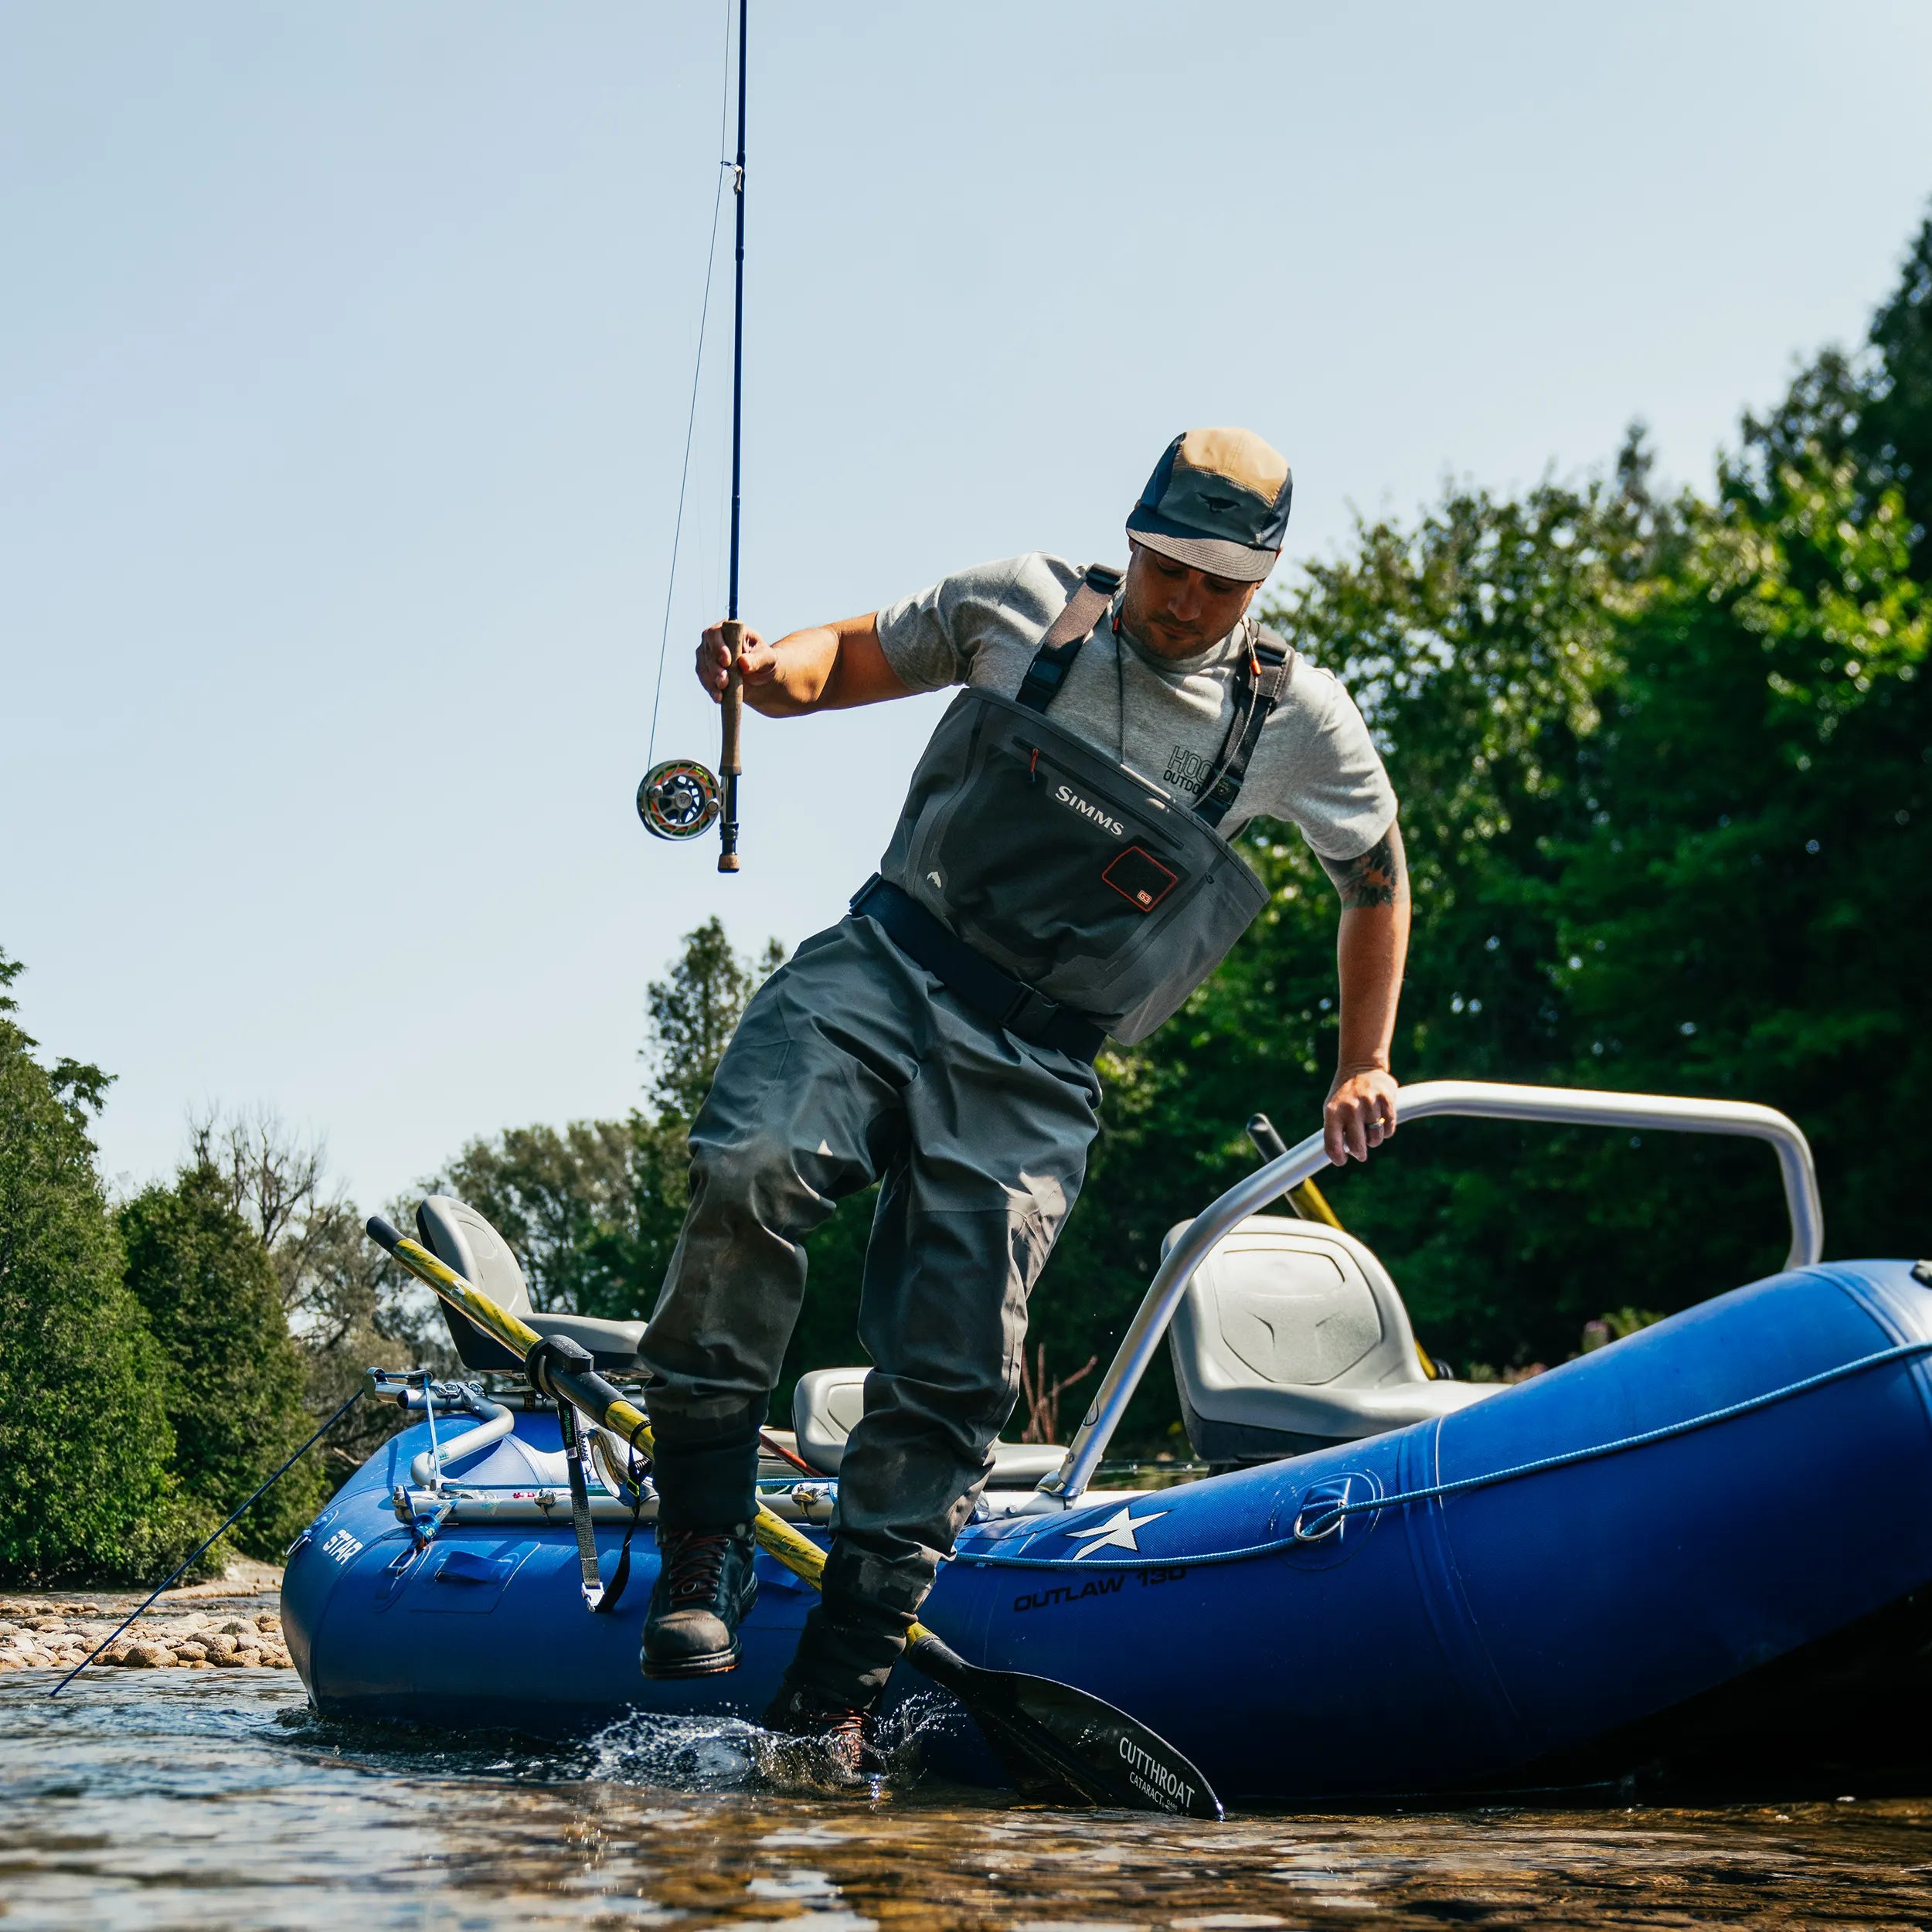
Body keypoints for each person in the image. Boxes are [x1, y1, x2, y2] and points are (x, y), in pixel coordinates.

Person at [637, 427, 1410, 1773]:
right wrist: (761, 676)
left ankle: (834, 1695)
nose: (1186, 601)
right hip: (885, 962)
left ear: (1266, 583)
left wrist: (1361, 1057)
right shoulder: (1021, 606)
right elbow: (839, 664)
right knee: (751, 1162)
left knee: (957, 1365)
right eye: (1169, 566)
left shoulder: (1298, 723)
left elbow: (1376, 876)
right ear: (1134, 537)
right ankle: (701, 1544)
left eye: (1222, 585)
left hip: (1041, 1063)